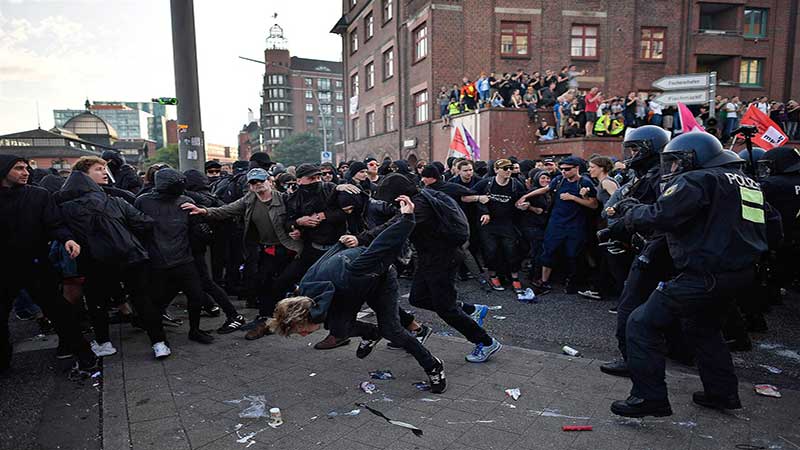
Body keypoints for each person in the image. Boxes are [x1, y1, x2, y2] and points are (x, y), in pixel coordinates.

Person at [609, 132, 768, 418]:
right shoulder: (747, 182)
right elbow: (772, 226)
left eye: (676, 162)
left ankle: (649, 397)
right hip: (741, 273)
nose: (672, 169)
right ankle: (722, 393)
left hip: (704, 274)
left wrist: (629, 209)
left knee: (641, 323)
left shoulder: (698, 179)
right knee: (704, 328)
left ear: (695, 157)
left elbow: (660, 215)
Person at [271, 196, 447, 393]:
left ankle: (433, 365)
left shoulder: (349, 273)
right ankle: (371, 334)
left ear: (303, 316)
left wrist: (407, 219)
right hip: (354, 288)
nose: (303, 334)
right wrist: (341, 244)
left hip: (378, 278)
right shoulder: (307, 290)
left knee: (391, 329)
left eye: (300, 329)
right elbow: (323, 260)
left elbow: (382, 245)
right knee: (336, 327)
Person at [372, 174, 502, 363]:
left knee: (446, 308)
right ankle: (470, 309)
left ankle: (486, 342)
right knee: (418, 298)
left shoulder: (419, 206)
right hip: (430, 258)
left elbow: (394, 227)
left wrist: (362, 238)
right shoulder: (420, 196)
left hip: (443, 258)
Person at [57, 156, 171, 359]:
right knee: (143, 300)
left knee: (96, 303)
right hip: (131, 256)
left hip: (94, 261)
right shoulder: (116, 200)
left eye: (104, 169)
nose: (104, 173)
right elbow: (144, 222)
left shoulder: (63, 205)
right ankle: (159, 343)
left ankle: (104, 343)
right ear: (83, 175)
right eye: (98, 169)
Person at [1, 155, 96, 373]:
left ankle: (84, 356)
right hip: (4, 268)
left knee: (60, 312)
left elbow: (54, 223)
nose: (25, 172)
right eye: (18, 168)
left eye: (26, 168)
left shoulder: (38, 195)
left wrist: (68, 239)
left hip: (35, 265)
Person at [183, 168, 303, 340]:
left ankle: (283, 317)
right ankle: (266, 317)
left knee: (280, 283)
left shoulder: (284, 198)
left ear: (269, 181)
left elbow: (298, 215)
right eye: (253, 182)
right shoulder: (249, 199)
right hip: (266, 248)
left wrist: (297, 230)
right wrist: (204, 211)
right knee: (263, 282)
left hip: (287, 248)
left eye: (261, 181)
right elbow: (227, 210)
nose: (258, 185)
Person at [135, 169, 217, 345]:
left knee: (195, 296)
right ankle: (157, 337)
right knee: (157, 301)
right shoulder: (143, 201)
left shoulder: (186, 202)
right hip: (157, 260)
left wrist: (202, 227)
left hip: (183, 258)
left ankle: (195, 330)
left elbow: (195, 226)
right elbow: (137, 227)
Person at [286, 163, 359, 349]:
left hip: (336, 248)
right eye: (311, 178)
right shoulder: (294, 197)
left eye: (318, 177)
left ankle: (338, 333)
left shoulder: (330, 189)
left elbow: (348, 210)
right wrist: (298, 223)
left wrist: (324, 215)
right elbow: (288, 220)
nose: (316, 181)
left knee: (343, 294)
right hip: (312, 249)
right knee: (292, 279)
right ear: (299, 180)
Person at [182, 169, 247, 333]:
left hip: (195, 246)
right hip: (213, 241)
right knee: (207, 280)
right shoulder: (211, 194)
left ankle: (225, 313)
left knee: (205, 280)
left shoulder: (190, 198)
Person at [521, 156, 598, 294]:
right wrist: (526, 196)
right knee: (548, 251)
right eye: (562, 169)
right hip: (556, 223)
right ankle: (544, 282)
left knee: (573, 254)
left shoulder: (585, 182)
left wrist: (574, 198)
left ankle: (572, 282)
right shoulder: (559, 180)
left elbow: (593, 205)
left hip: (575, 225)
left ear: (576, 168)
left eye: (567, 169)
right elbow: (545, 189)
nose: (564, 172)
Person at [474, 160, 527, 292]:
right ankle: (493, 275)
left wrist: (523, 206)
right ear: (496, 170)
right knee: (491, 251)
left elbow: (524, 199)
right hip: (489, 224)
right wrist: (480, 200)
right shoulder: (486, 183)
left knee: (511, 251)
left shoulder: (516, 184)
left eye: (510, 168)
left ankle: (515, 278)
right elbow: (467, 196)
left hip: (507, 223)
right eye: (504, 168)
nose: (508, 170)